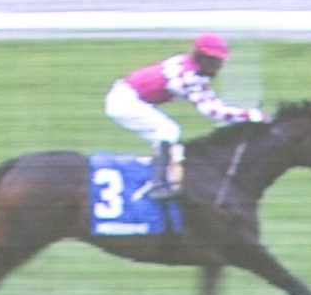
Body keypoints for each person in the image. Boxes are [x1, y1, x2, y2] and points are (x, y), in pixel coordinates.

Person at [104, 35, 263, 193]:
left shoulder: (189, 67)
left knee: (168, 138)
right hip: (124, 101)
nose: (217, 67)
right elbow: (211, 110)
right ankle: (159, 184)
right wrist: (247, 115)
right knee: (168, 131)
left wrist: (243, 114)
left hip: (126, 96)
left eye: (220, 62)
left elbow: (213, 102)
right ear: (201, 58)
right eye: (214, 61)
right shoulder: (189, 76)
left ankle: (162, 177)